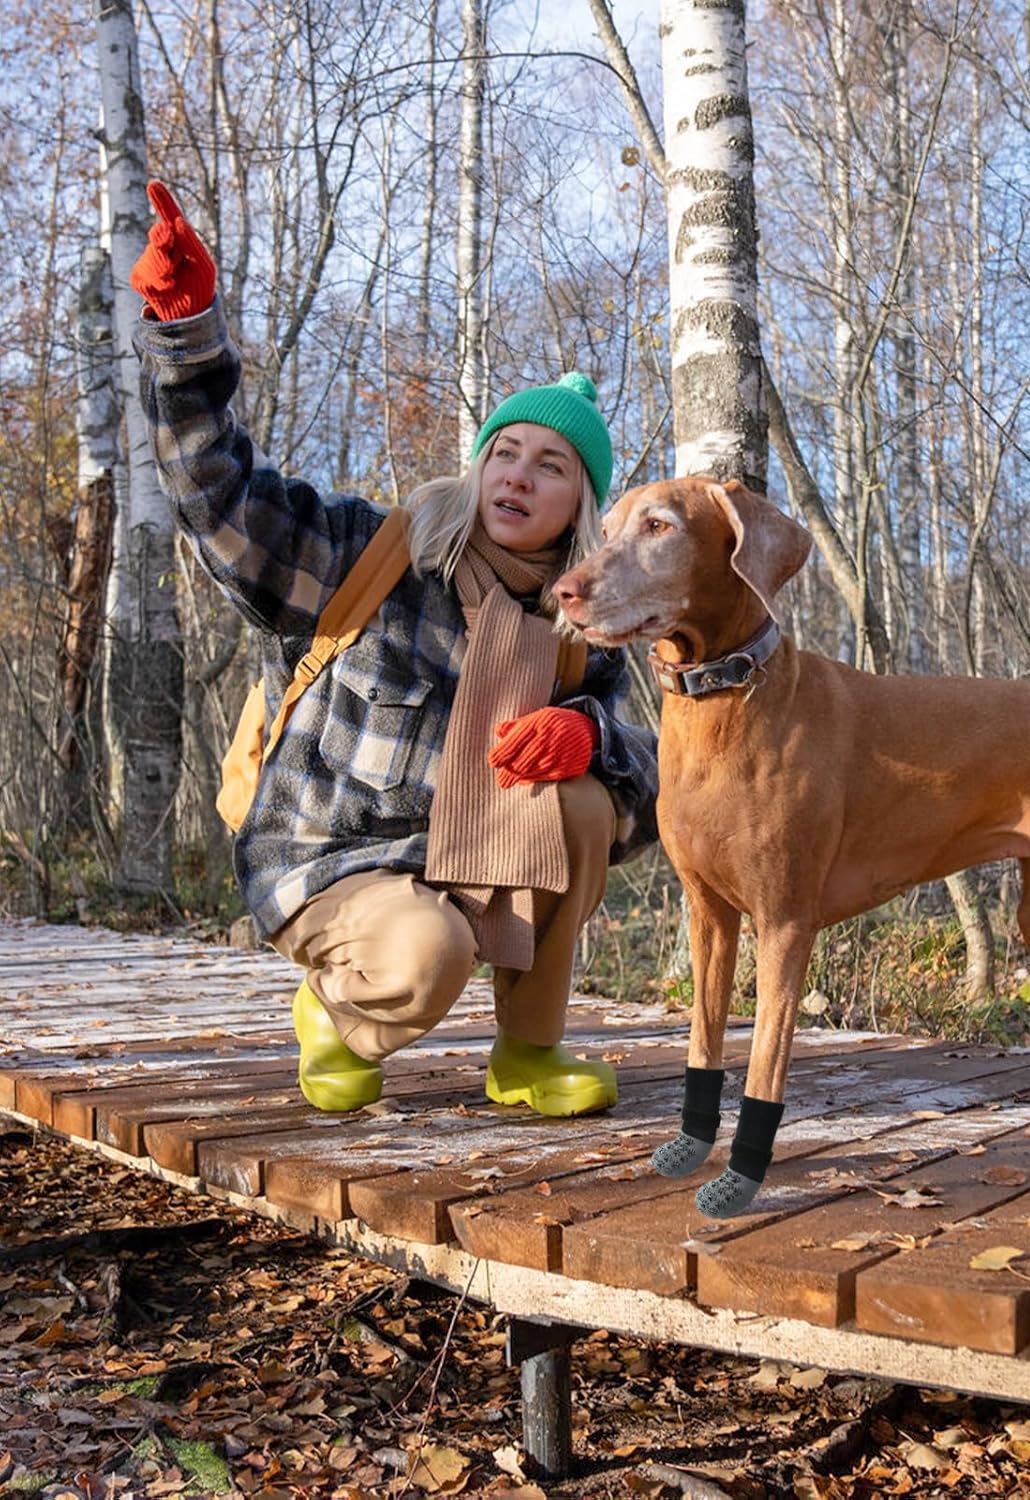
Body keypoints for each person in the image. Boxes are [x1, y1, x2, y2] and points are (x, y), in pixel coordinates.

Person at [129, 181, 656, 1118]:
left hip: (466, 864)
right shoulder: (373, 553)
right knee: (429, 958)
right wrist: (185, 339)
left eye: (553, 465)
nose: (520, 476)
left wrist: (597, 747)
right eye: (508, 451)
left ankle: (528, 1054)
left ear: (582, 503)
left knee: (581, 801)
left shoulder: (579, 631)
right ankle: (333, 1009)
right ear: (479, 463)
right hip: (331, 858)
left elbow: (655, 786)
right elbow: (221, 503)